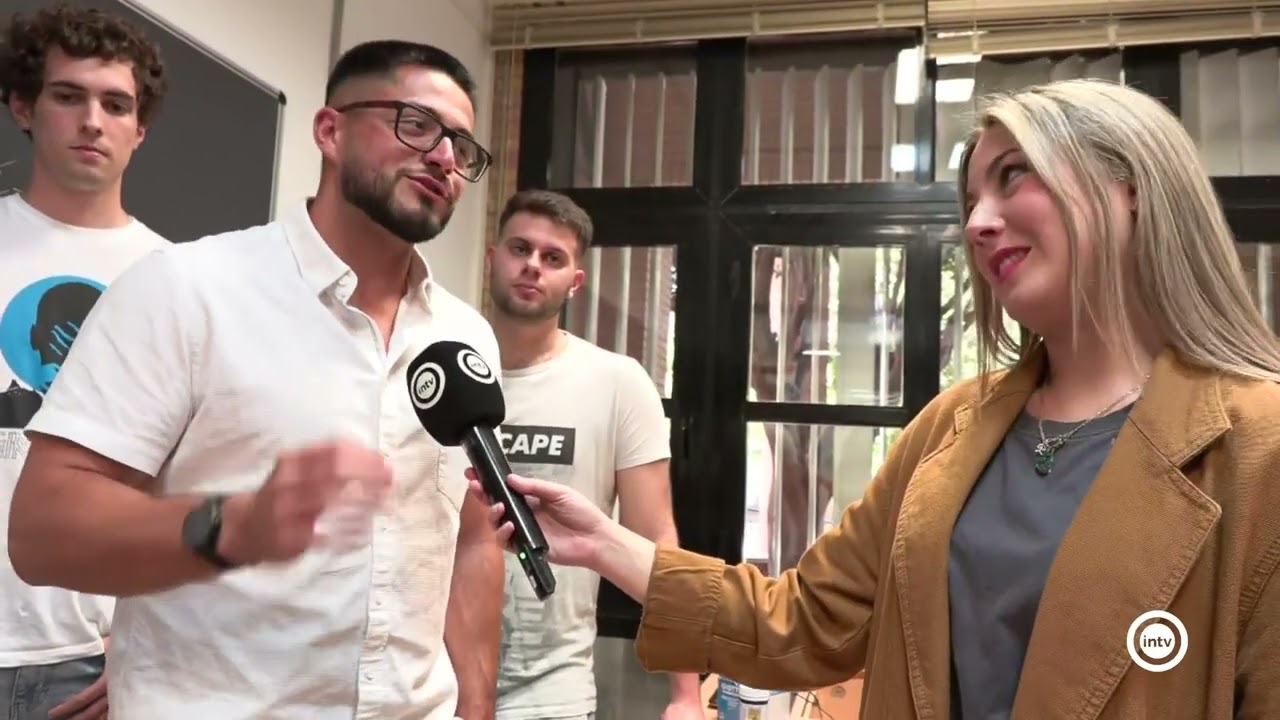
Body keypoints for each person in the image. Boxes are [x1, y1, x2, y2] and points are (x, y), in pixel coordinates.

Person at [469, 78, 1280, 719]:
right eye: (971, 201)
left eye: (1014, 176)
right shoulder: (952, 428)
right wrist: (605, 543)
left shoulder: (1257, 448)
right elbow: (803, 620)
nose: (979, 222)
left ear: (1129, 186)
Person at [8, 39, 503, 720]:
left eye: (462, 146)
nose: (445, 157)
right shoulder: (186, 289)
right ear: (330, 131)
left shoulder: (467, 337)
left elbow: (471, 539)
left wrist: (477, 706)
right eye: (415, 124)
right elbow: (44, 531)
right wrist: (229, 527)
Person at [0, 5, 169, 720]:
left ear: (140, 128)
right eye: (69, 96)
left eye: (116, 104)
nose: (93, 121)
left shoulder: (182, 282)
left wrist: (146, 649)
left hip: (93, 661)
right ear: (23, 107)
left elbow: (196, 480)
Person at [482, 189, 704, 720]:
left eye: (553, 257)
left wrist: (687, 695)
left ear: (575, 282)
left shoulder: (617, 382)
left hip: (551, 694)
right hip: (432, 685)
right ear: (492, 257)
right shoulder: (441, 371)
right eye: (520, 248)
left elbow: (657, 543)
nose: (533, 266)